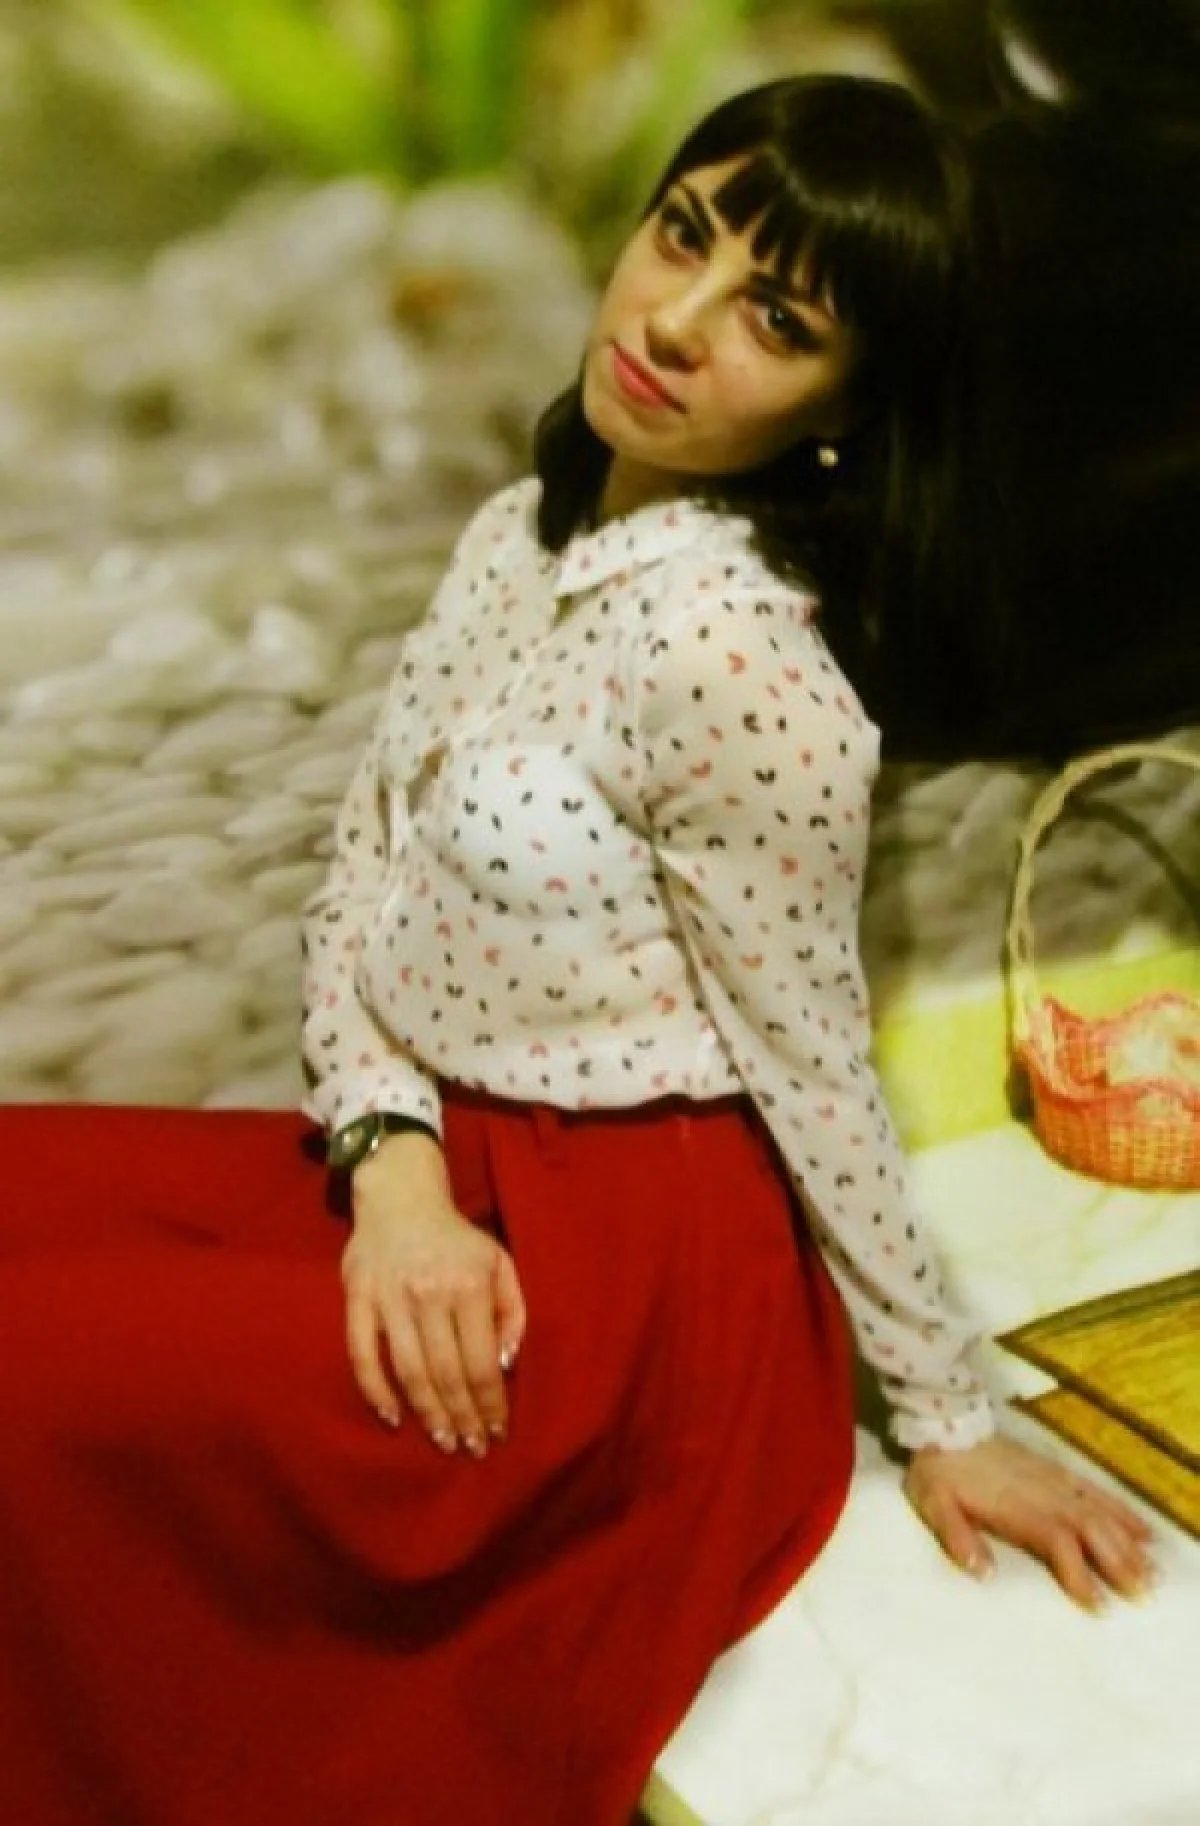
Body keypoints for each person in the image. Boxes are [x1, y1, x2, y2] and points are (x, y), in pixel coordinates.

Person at [0, 74, 1157, 1826]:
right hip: (427, 1163)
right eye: (681, 234)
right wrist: (392, 1162)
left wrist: (948, 1412)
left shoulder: (747, 673)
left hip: (617, 1294)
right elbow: (365, 871)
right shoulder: (515, 541)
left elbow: (811, 1054)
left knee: (35, 1375)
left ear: (849, 411)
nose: (677, 321)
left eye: (777, 321)